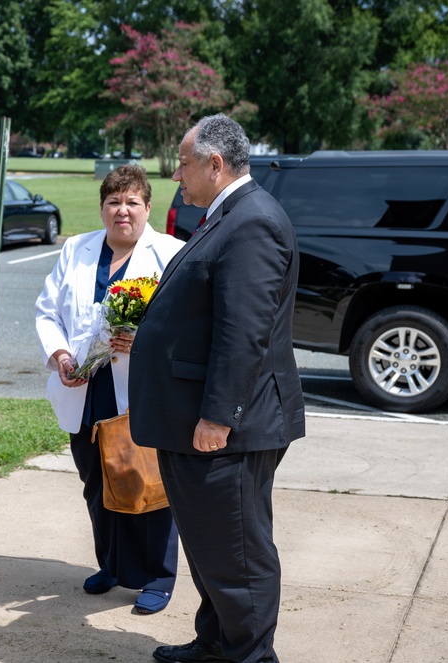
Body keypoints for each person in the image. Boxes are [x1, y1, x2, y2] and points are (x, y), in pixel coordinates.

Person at [128, 114, 305, 663]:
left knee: (237, 556)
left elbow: (243, 332)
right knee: (209, 549)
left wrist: (218, 417)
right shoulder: (225, 214)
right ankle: (216, 645)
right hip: (195, 421)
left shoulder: (253, 222)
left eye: (182, 162)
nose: (175, 173)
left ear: (215, 163)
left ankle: (250, 655)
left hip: (227, 427)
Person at [35, 164, 184, 614]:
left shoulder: (170, 253)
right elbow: (47, 312)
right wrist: (61, 355)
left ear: (147, 207)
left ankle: (158, 576)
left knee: (146, 481)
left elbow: (187, 325)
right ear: (102, 207)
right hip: (85, 386)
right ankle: (113, 565)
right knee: (96, 482)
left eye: (132, 202)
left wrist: (145, 343)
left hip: (140, 389)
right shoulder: (77, 249)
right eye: (114, 202)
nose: (123, 211)